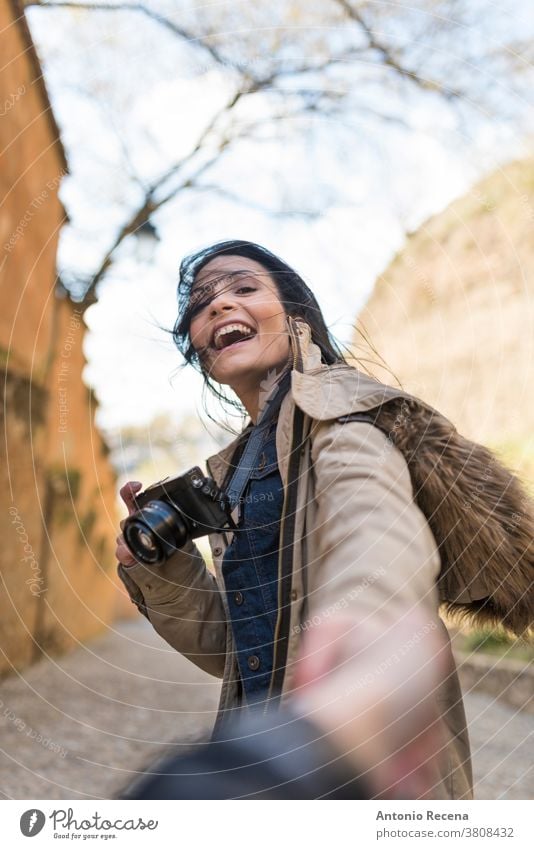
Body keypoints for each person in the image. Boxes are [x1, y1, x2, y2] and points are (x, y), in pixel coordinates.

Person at [116, 239, 533, 800]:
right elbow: (239, 650)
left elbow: (373, 517)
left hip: (355, 759)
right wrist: (166, 570)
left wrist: (371, 621)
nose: (217, 306)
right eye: (201, 303)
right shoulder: (240, 466)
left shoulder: (343, 414)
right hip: (262, 748)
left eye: (243, 288)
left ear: (295, 317)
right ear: (200, 351)